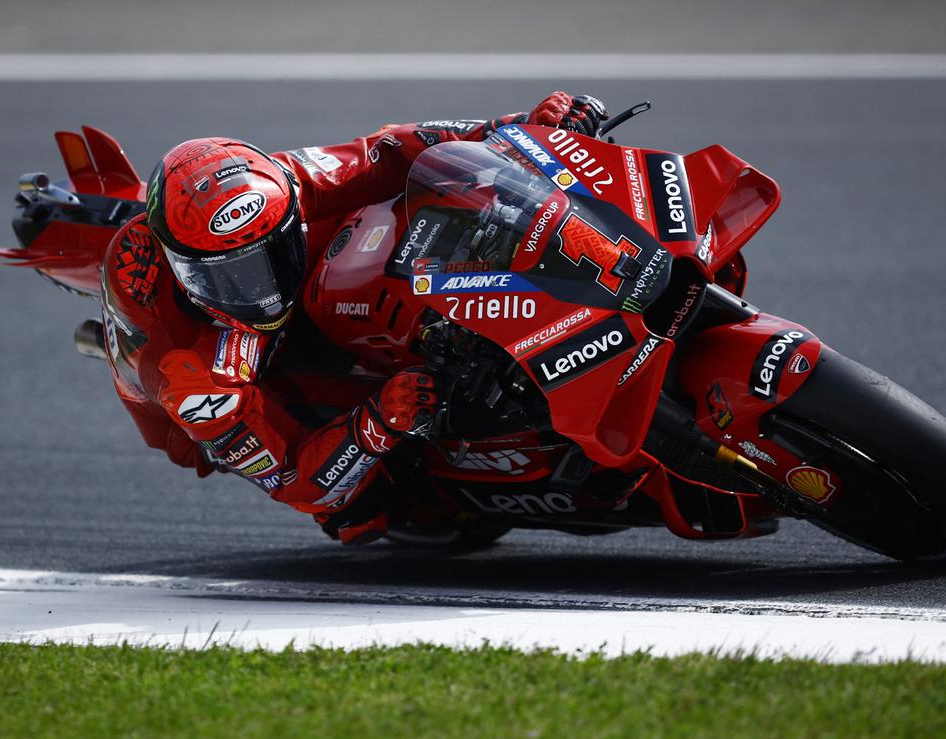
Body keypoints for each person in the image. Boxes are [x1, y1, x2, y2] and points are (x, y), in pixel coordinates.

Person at [99, 91, 608, 545]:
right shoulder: (192, 378)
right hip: (220, 367)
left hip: (311, 273)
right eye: (232, 276)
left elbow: (387, 153)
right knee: (355, 507)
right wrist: (378, 421)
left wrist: (518, 132)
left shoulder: (279, 186)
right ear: (182, 269)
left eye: (270, 257)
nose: (263, 289)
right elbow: (297, 479)